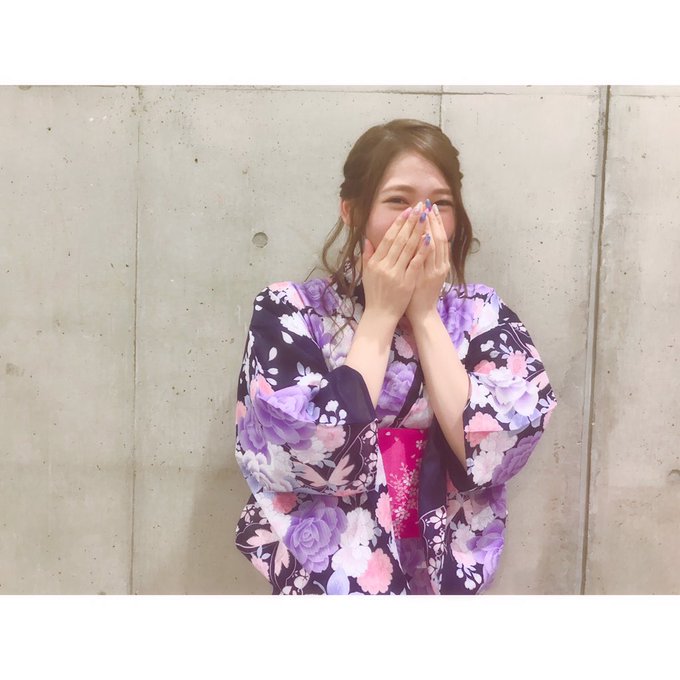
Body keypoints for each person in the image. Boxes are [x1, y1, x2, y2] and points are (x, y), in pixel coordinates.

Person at [233, 118, 558, 595]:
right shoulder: (290, 310)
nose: (421, 220)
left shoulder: (481, 312)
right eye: (398, 201)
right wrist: (381, 314)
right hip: (333, 565)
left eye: (440, 204)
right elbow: (295, 448)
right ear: (352, 210)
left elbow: (501, 441)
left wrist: (424, 314)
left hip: (443, 551)